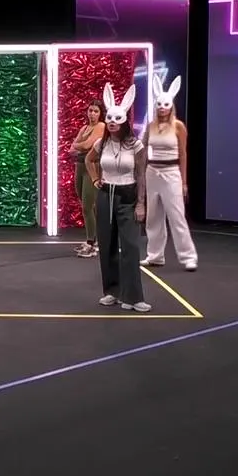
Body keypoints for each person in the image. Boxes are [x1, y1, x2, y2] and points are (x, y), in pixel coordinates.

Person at [87, 83, 150, 312]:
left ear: (124, 121)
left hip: (127, 197)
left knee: (131, 247)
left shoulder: (135, 145)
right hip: (106, 196)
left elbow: (141, 174)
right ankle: (112, 291)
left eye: (117, 119)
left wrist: (141, 203)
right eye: (110, 119)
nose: (112, 122)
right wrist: (95, 179)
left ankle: (133, 297)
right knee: (107, 245)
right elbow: (89, 160)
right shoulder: (101, 143)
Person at [141, 74, 198, 271]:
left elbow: (183, 154)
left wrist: (184, 182)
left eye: (165, 104)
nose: (162, 108)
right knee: (153, 217)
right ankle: (155, 255)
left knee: (177, 216)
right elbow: (143, 148)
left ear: (171, 105)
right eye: (159, 104)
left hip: (172, 172)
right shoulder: (151, 126)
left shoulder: (178, 126)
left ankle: (188, 256)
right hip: (152, 172)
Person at [69, 100, 105, 258]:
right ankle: (94, 240)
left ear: (100, 113)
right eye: (90, 110)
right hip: (79, 166)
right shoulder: (84, 128)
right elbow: (72, 148)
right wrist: (79, 145)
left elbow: (85, 146)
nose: (92, 114)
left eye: (96, 111)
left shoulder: (101, 126)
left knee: (87, 206)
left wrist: (79, 145)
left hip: (92, 167)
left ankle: (92, 243)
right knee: (85, 203)